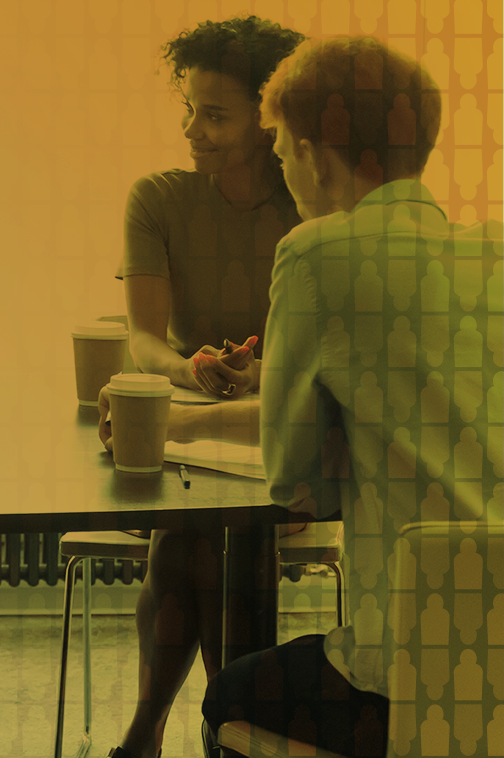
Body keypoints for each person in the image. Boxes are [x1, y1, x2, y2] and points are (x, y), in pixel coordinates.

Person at [201, 37, 500, 756]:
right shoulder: (493, 252)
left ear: (316, 154)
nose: (283, 174)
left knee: (229, 694)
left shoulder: (316, 253)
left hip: (401, 680)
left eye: (282, 156)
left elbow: (296, 482)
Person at [100, 17, 307, 758]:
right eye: (188, 109)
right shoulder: (157, 199)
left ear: (270, 121)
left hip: (282, 434)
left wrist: (264, 369)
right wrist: (190, 370)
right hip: (191, 427)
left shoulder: (311, 208)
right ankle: (226, 735)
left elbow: (322, 354)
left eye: (214, 115)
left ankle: (149, 731)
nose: (192, 130)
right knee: (197, 531)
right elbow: (145, 342)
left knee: (203, 536)